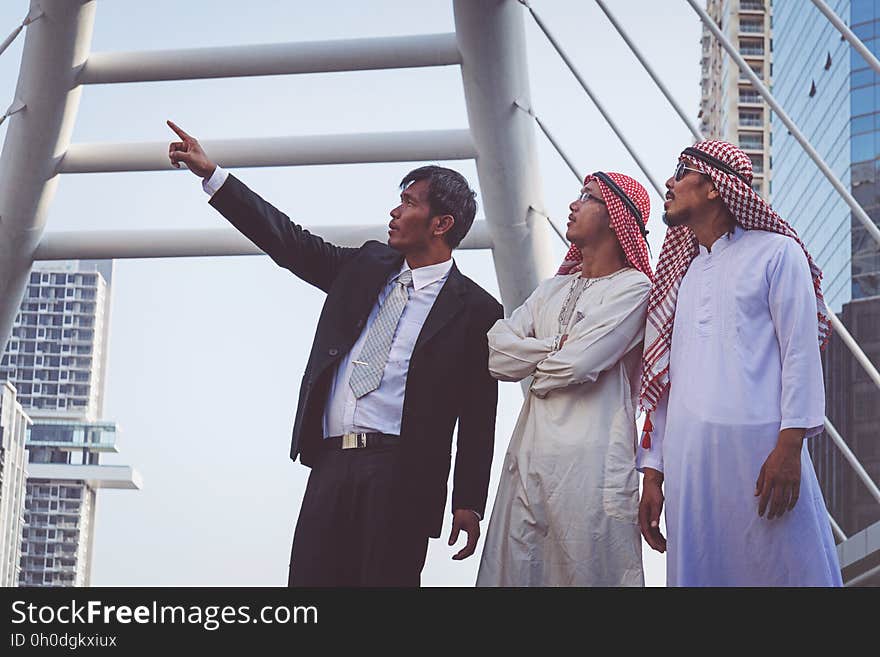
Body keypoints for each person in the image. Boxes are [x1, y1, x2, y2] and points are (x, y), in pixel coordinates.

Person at [166, 120, 503, 586]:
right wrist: (213, 175)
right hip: (330, 463)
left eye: (408, 203)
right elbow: (289, 242)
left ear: (441, 223)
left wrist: (468, 501)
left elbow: (478, 412)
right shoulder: (366, 264)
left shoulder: (478, 310)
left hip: (401, 477)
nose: (394, 211)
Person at [637, 139, 842, 586]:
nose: (668, 183)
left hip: (763, 459)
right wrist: (653, 473)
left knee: (785, 572)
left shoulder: (776, 253)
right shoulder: (682, 278)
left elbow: (800, 354)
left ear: (715, 188)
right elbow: (663, 383)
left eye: (681, 171)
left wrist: (790, 449)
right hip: (690, 468)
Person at [476, 171, 653, 586]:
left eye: (586, 198)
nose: (573, 205)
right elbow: (497, 356)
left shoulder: (634, 288)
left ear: (615, 217)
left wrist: (536, 358)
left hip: (591, 468)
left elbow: (577, 366)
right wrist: (557, 344)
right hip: (529, 459)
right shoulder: (551, 290)